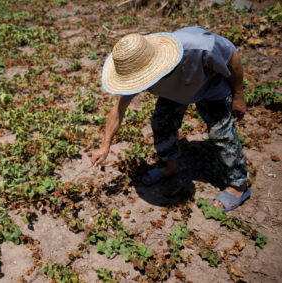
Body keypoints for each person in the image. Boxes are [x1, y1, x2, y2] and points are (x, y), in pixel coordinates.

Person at [90, 26, 250, 212]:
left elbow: (233, 58)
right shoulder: (133, 66)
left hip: (210, 84)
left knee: (220, 133)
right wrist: (105, 144)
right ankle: (170, 165)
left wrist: (238, 95)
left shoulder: (199, 47)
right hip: (174, 92)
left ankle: (239, 185)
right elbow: (118, 110)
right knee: (161, 122)